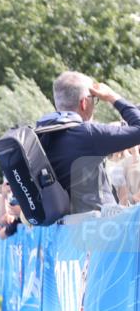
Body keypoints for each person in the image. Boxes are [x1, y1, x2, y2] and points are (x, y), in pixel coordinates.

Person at [36, 71, 140, 213]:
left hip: (64, 230)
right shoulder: (87, 134)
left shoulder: (42, 135)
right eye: (94, 99)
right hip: (96, 228)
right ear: (84, 103)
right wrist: (112, 97)